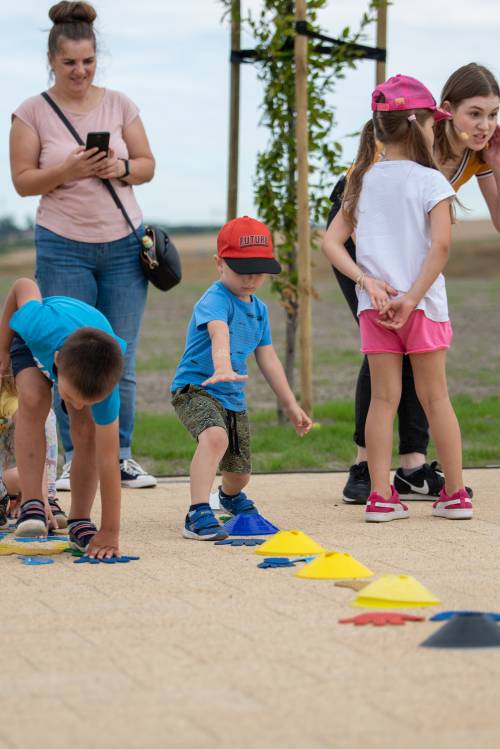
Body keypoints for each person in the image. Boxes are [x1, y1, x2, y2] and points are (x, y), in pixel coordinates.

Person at [327, 63, 499, 504]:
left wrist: (497, 164)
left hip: (406, 255)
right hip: (365, 240)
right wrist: (372, 281)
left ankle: (411, 468)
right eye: (475, 114)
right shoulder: (394, 160)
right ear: (443, 113)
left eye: (494, 115)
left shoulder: (475, 155)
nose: (485, 126)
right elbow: (367, 220)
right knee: (387, 357)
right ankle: (366, 467)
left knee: (404, 359)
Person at [9, 1, 157, 491]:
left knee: (121, 355)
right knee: (66, 353)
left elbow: (147, 164)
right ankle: (75, 459)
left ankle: (122, 457)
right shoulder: (31, 112)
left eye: (89, 61)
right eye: (70, 62)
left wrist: (120, 168)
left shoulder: (119, 104)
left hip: (123, 244)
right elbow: (23, 181)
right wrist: (67, 171)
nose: (80, 71)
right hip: (63, 245)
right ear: (52, 59)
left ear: (98, 58)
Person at [171, 216, 312, 540]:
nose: (249, 279)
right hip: (196, 388)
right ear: (219, 264)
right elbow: (219, 332)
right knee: (215, 437)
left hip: (232, 396)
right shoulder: (215, 299)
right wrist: (221, 365)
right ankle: (197, 513)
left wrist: (291, 405)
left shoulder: (259, 309)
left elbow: (268, 357)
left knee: (239, 473)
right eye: (241, 269)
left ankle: (229, 497)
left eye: (257, 271)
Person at [0, 277, 126, 557]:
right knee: (33, 399)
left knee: (88, 434)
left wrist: (110, 530)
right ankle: (32, 502)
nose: (78, 406)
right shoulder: (37, 323)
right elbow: (22, 285)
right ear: (56, 362)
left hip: (87, 349)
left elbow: (108, 460)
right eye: (71, 397)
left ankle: (80, 518)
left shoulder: (106, 382)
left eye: (87, 401)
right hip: (35, 344)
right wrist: (2, 347)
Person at [0, 376, 66, 530]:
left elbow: (34, 437)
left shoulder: (8, 397)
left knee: (42, 416)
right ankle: (10, 496)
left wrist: (40, 495)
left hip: (12, 463)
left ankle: (41, 499)